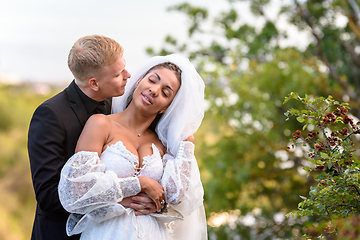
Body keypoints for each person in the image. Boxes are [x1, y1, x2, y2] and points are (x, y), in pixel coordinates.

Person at [58, 54, 207, 239]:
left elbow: (177, 197)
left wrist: (187, 144)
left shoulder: (163, 145)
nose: (154, 90)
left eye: (165, 92)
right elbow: (75, 192)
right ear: (138, 82)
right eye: (152, 80)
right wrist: (140, 184)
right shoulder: (100, 124)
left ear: (165, 108)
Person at [27, 34, 136, 240]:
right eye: (118, 74)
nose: (128, 75)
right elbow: (48, 196)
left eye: (125, 68)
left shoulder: (119, 105)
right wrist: (118, 198)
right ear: (94, 84)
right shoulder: (50, 115)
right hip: (62, 234)